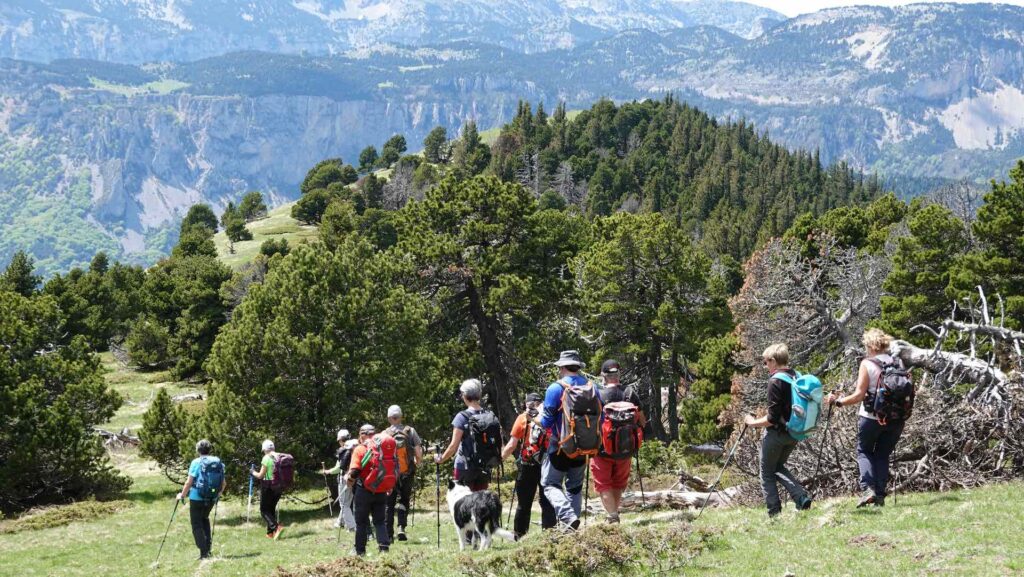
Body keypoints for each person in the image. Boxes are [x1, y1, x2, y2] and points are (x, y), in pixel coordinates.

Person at [825, 328, 906, 508]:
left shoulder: (867, 364)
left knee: (864, 451)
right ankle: (880, 495)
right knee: (882, 454)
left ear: (870, 345)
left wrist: (838, 402)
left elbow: (858, 395)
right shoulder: (897, 362)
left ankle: (867, 489)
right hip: (896, 418)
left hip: (871, 417)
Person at [744, 343, 813, 517]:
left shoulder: (775, 381)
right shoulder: (796, 376)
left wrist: (752, 423)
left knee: (766, 472)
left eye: (766, 362)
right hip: (795, 432)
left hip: (777, 434)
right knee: (777, 467)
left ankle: (774, 513)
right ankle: (801, 498)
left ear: (773, 361)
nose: (765, 365)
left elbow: (772, 418)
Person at [539, 350, 595, 530]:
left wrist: (535, 419)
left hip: (560, 445)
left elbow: (546, 422)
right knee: (575, 487)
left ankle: (568, 516)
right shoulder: (592, 387)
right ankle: (572, 527)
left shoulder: (556, 388)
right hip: (585, 445)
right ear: (578, 367)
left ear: (562, 367)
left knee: (550, 484)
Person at [591, 360, 647, 524]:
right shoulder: (629, 393)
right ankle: (614, 514)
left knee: (603, 483)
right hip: (626, 448)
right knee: (618, 482)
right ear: (619, 374)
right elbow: (642, 420)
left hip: (602, 448)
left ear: (603, 376)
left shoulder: (598, 394)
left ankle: (612, 515)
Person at [501, 392, 557, 538]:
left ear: (528, 404)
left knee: (524, 503)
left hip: (527, 464)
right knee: (547, 501)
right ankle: (549, 532)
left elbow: (512, 444)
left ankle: (519, 534)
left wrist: (500, 459)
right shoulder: (549, 418)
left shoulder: (522, 418)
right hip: (547, 464)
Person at [435, 379, 496, 491]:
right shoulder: (489, 415)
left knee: (463, 503)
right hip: (483, 466)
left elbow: (453, 446)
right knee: (480, 503)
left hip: (465, 466)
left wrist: (441, 459)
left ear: (465, 395)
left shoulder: (462, 417)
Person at [177, 439, 225, 560]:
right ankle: (207, 549)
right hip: (211, 498)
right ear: (210, 449)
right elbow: (223, 483)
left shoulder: (196, 462)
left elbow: (189, 482)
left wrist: (182, 495)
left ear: (198, 450)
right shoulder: (218, 462)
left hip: (196, 497)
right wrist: (218, 493)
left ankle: (203, 552)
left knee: (196, 524)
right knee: (205, 519)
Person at [348, 424, 391, 556]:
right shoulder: (383, 449)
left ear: (362, 435)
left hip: (364, 489)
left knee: (361, 522)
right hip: (381, 490)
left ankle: (360, 551)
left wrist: (349, 479)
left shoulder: (360, 449)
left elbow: (355, 471)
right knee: (379, 521)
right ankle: (384, 548)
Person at [384, 405, 423, 542]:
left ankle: (388, 534)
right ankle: (401, 527)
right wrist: (418, 463)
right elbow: (418, 452)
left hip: (390, 475)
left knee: (389, 503)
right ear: (401, 417)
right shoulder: (410, 431)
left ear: (389, 418)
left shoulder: (385, 434)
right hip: (407, 472)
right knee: (404, 500)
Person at [321, 429, 358, 531]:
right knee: (347, 502)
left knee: (344, 504)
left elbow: (338, 468)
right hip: (354, 478)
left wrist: (327, 472)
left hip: (344, 479)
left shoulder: (343, 450)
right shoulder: (355, 447)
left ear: (341, 440)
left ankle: (352, 526)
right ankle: (340, 522)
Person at [250, 439, 284, 539]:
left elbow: (260, 475)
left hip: (268, 486)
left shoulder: (266, 458)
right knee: (271, 509)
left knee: (264, 510)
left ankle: (277, 527)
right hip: (279, 486)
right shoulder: (280, 457)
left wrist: (252, 472)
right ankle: (270, 533)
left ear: (265, 449)